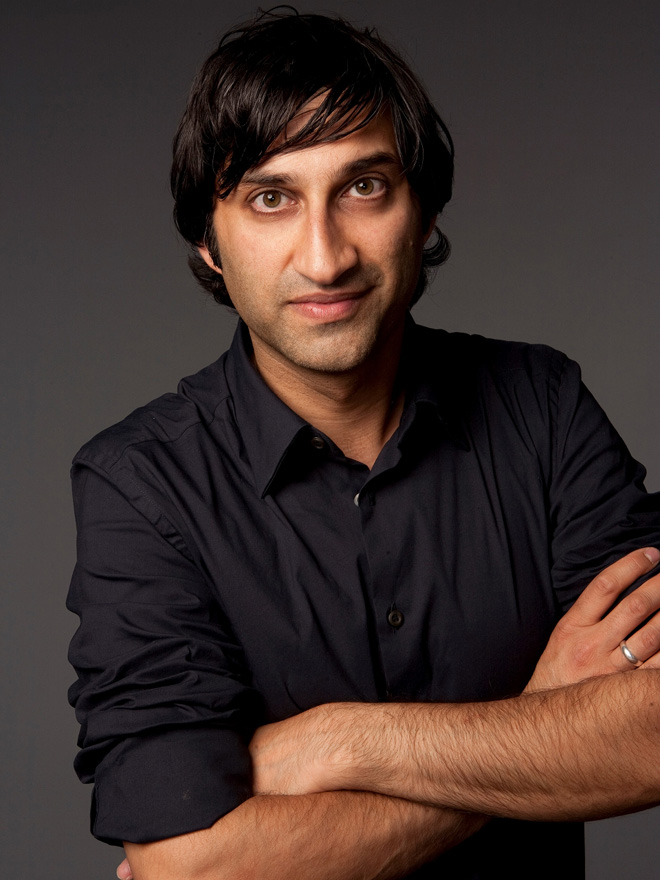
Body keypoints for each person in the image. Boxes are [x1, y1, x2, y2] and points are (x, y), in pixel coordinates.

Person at [66, 9, 660, 880]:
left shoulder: (543, 406)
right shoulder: (140, 484)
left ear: (423, 211)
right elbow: (191, 865)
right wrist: (541, 723)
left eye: (365, 186)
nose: (325, 256)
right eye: (271, 197)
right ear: (209, 240)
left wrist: (340, 742)